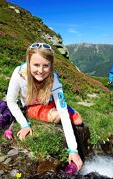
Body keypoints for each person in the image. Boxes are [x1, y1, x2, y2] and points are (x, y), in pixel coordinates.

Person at [6, 42, 83, 171]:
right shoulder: (19, 74)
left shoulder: (54, 78)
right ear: (28, 62)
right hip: (33, 106)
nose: (40, 71)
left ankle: (58, 106)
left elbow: (64, 113)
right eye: (36, 65)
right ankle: (55, 109)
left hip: (48, 101)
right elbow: (11, 101)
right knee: (57, 115)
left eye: (45, 66)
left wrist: (73, 150)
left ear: (51, 65)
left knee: (78, 120)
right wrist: (24, 124)